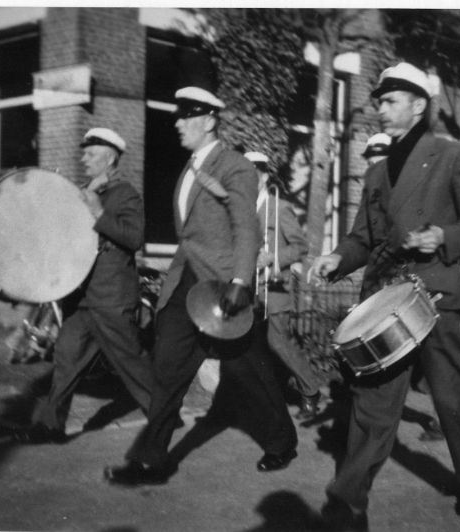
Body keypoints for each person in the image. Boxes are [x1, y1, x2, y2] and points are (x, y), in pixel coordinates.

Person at [309, 62, 460, 526]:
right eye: (378, 101)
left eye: (391, 101)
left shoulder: (453, 156)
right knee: (373, 400)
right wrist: (338, 258)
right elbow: (363, 239)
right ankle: (348, 496)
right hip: (386, 302)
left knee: (452, 397)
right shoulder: (376, 173)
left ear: (418, 105)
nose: (381, 109)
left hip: (434, 298)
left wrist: (442, 236)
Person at [104, 87, 297, 486]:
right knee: (168, 369)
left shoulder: (235, 167)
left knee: (250, 372)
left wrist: (242, 281)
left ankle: (282, 440)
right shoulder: (189, 169)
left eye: (185, 115)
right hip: (184, 285)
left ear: (208, 120)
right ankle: (150, 460)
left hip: (223, 287)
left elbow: (247, 228)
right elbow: (189, 236)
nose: (176, 122)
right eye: (177, 115)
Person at [19, 128, 152, 443]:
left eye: (91, 153)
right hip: (79, 296)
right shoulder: (80, 191)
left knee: (130, 362)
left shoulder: (125, 194)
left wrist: (98, 212)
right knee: (65, 360)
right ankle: (50, 425)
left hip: (111, 297)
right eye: (84, 153)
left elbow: (134, 238)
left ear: (109, 157)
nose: (83, 158)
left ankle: (163, 415)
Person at [246, 151, 324, 419]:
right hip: (249, 289)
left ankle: (311, 389)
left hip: (274, 287)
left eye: (253, 174)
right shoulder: (243, 209)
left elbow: (301, 246)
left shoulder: (278, 207)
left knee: (277, 341)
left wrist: (273, 258)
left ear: (264, 176)